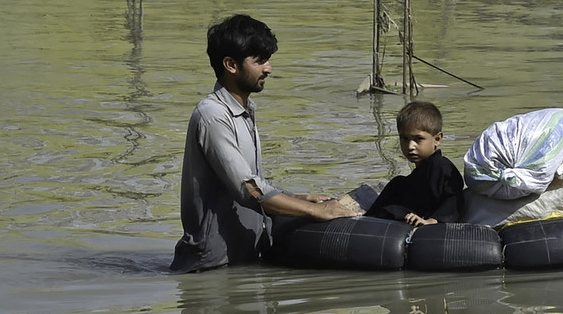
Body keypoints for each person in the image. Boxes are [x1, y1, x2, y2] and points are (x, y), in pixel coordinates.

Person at [171, 14, 358, 273]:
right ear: (230, 64)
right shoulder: (212, 116)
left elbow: (253, 181)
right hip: (211, 269)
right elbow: (248, 189)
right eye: (259, 61)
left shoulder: (244, 110)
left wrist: (296, 197)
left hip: (241, 261)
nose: (268, 69)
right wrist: (317, 211)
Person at [365, 101, 465, 226]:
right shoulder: (414, 176)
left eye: (419, 139)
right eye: (404, 138)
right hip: (409, 216)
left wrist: (432, 221)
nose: (410, 146)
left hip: (430, 223)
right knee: (398, 183)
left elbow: (454, 199)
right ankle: (364, 220)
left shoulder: (441, 166)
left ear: (437, 139)